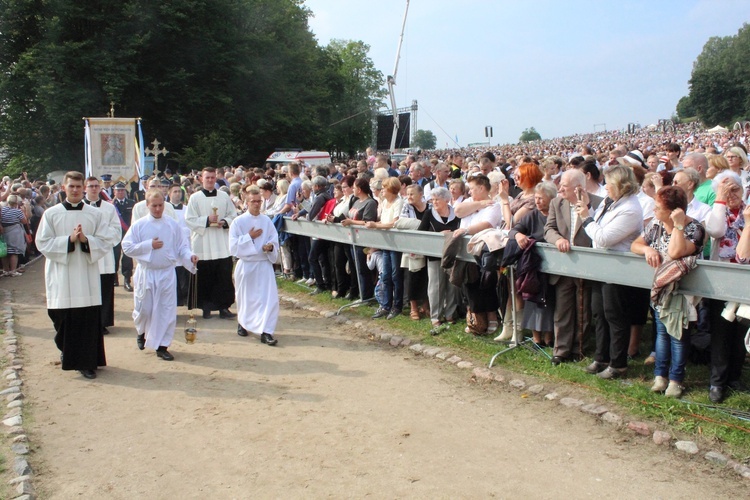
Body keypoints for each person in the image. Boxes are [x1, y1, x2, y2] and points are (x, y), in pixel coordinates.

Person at [631, 186, 705, 398]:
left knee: (678, 335)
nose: (653, 211)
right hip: (661, 289)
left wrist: (678, 226)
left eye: (658, 208)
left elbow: (675, 252)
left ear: (674, 211)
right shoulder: (655, 224)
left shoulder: (695, 229)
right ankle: (660, 376)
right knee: (662, 333)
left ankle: (676, 380)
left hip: (683, 293)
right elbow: (635, 244)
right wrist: (648, 249)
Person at [36, 171, 110, 379]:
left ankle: (87, 362)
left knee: (86, 319)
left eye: (79, 186)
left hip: (86, 276)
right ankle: (66, 351)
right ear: (63, 188)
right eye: (72, 186)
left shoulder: (95, 214)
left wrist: (87, 240)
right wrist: (68, 240)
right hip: (62, 275)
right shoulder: (51, 214)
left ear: (84, 188)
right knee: (62, 318)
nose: (76, 190)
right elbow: (42, 243)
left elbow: (105, 241)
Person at [576, 165, 643, 379]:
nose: (605, 188)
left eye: (610, 184)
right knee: (600, 312)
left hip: (618, 267)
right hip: (602, 265)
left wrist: (586, 218)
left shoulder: (631, 208)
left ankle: (618, 363)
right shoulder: (611, 201)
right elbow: (599, 225)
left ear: (622, 186)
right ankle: (601, 357)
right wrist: (589, 210)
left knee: (615, 315)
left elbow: (604, 237)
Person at [122, 189, 198, 361]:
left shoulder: (172, 224)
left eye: (160, 205)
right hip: (147, 273)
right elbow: (127, 247)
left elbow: (182, 247)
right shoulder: (139, 225)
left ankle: (162, 346)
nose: (157, 209)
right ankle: (141, 331)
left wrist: (189, 256)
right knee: (144, 309)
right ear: (147, 205)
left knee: (166, 311)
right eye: (154, 206)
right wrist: (148, 245)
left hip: (166, 273)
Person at [544, 169, 603, 364]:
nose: (560, 189)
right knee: (563, 309)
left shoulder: (597, 203)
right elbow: (549, 229)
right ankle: (560, 350)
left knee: (583, 307)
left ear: (578, 188)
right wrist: (558, 240)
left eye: (564, 186)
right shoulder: (556, 203)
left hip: (585, 265)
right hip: (563, 266)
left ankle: (579, 348)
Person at [704, 171, 747, 403]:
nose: (731, 195)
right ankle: (717, 381)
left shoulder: (748, 212)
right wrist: (720, 199)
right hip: (722, 277)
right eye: (726, 190)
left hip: (745, 276)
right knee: (721, 330)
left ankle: (734, 376)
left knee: (741, 329)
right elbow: (716, 231)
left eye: (735, 190)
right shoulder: (717, 211)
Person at [508, 182, 557, 347]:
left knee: (550, 301)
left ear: (551, 199)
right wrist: (518, 236)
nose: (538, 201)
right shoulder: (532, 215)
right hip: (533, 267)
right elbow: (514, 230)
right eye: (536, 198)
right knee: (533, 299)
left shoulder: (557, 215)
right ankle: (536, 337)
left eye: (541, 198)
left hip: (553, 266)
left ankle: (549, 337)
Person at [229, 186, 280, 346]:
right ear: (247, 202)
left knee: (268, 299)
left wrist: (270, 247)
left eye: (259, 201)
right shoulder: (238, 222)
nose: (257, 204)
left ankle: (266, 331)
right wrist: (248, 237)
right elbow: (233, 247)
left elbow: (274, 239)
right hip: (247, 265)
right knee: (247, 298)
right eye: (253, 201)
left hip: (263, 265)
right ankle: (243, 323)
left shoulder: (266, 221)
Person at [185, 167, 237, 319]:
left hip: (221, 243)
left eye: (212, 177)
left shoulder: (224, 197)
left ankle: (224, 308)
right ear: (201, 178)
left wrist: (224, 222)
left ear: (216, 178)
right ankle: (205, 307)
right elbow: (189, 220)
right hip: (203, 243)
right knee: (205, 278)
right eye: (207, 177)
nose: (210, 180)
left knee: (223, 277)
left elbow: (233, 215)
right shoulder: (195, 198)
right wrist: (207, 220)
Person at [418, 186, 461, 329]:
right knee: (435, 286)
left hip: (452, 254)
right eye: (433, 199)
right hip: (434, 254)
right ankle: (435, 316)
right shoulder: (429, 214)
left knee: (452, 285)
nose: (435, 202)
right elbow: (421, 233)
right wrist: (438, 235)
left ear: (447, 200)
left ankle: (450, 313)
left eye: (438, 199)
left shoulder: (456, 213)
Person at [83, 176, 121, 336]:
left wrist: (101, 239)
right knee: (88, 289)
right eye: (90, 186)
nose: (93, 189)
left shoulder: (109, 208)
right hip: (85, 254)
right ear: (85, 188)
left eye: (96, 186)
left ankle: (103, 321)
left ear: (100, 188)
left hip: (104, 254)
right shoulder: (80, 208)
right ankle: (89, 321)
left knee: (105, 289)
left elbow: (116, 230)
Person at [111, 182, 135, 291]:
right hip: (115, 234)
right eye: (118, 190)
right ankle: (114, 277)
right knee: (114, 256)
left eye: (122, 190)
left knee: (127, 257)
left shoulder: (131, 203)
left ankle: (127, 280)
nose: (120, 192)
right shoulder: (110, 205)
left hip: (127, 233)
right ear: (114, 192)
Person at [1, 195, 28, 276]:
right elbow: (24, 221)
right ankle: (13, 270)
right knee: (14, 251)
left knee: (5, 251)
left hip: (4, 231)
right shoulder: (18, 211)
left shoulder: (2, 210)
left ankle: (6, 270)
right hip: (14, 231)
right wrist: (24, 211)